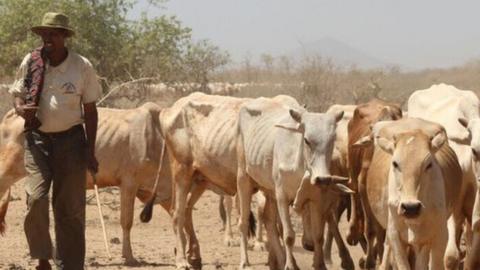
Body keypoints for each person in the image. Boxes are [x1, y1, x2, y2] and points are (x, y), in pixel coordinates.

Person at [9, 12, 101, 270]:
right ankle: (42, 258)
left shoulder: (81, 66)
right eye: (44, 34)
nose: (47, 39)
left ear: (64, 36)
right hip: (37, 140)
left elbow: (91, 111)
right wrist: (20, 108)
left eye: (53, 34)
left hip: (72, 142)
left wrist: (91, 152)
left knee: (69, 209)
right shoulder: (32, 61)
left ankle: (69, 265)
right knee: (36, 199)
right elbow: (17, 94)